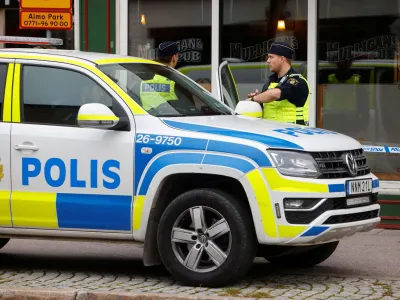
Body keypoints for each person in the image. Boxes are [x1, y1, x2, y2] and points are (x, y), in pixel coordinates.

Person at [246, 42, 310, 125]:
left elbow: (275, 94)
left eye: (271, 57)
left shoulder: (296, 81)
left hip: (293, 134)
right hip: (271, 132)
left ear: (282, 59)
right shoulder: (270, 81)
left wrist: (254, 98)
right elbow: (268, 108)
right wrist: (258, 101)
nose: (268, 61)